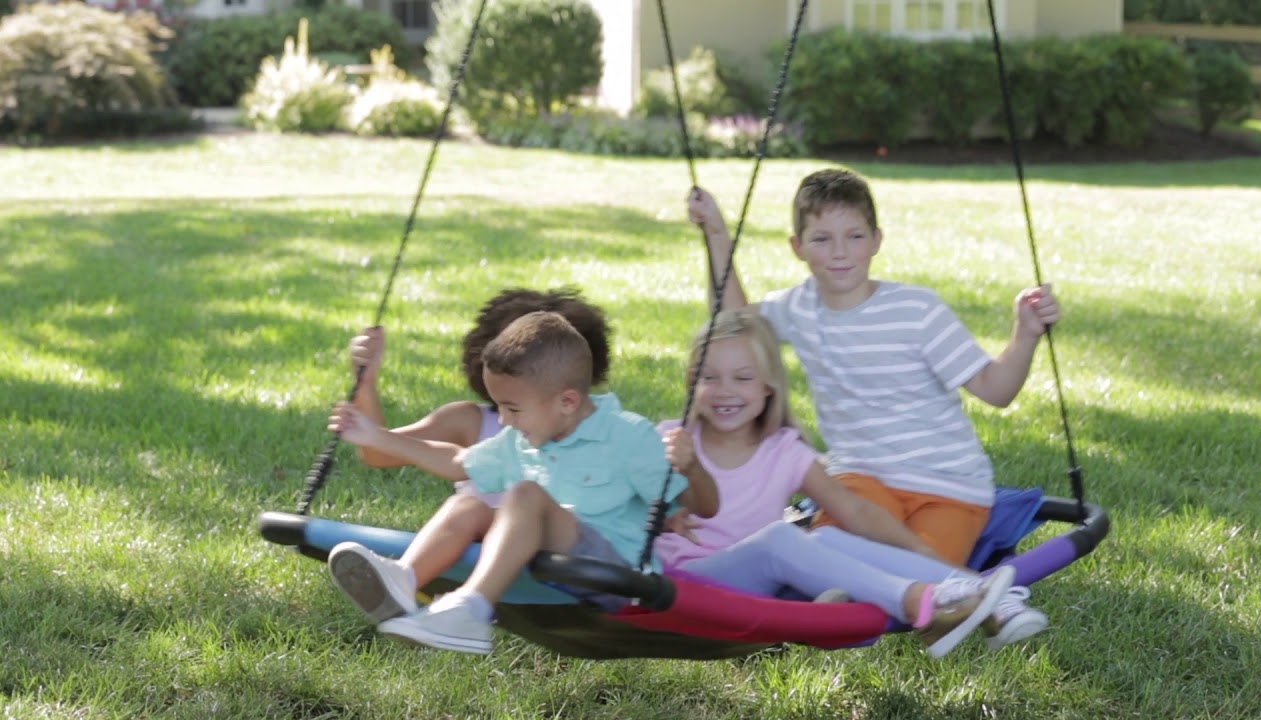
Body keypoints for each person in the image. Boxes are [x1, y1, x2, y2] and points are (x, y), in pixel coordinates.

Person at [687, 169, 1056, 637]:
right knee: (829, 543)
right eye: (821, 238)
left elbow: (995, 390)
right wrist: (717, 233)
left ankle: (944, 595)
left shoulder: (918, 310)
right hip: (860, 478)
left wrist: (1025, 333)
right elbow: (735, 326)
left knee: (907, 571)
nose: (839, 252)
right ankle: (973, 594)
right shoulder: (798, 308)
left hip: (949, 485)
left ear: (877, 240)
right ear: (797, 246)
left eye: (854, 235)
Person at [324, 311, 720, 654]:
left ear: (567, 402)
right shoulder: (520, 437)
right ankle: (403, 578)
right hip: (551, 560)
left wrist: (694, 468)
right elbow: (458, 460)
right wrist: (378, 437)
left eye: (512, 408)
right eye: (498, 407)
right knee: (469, 504)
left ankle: (472, 610)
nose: (505, 419)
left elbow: (704, 506)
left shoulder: (629, 435)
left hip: (612, 575)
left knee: (525, 494)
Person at [657, 309, 1024, 658]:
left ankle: (982, 591)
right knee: (779, 538)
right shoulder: (671, 441)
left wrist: (920, 551)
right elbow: (623, 511)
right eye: (710, 377)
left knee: (827, 538)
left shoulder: (784, 452)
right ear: (692, 380)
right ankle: (919, 603)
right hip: (685, 588)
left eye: (743, 377)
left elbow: (855, 510)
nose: (725, 390)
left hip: (754, 591)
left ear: (769, 385)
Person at [348, 287, 612, 498]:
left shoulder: (601, 426)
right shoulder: (471, 421)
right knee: (465, 509)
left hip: (560, 547)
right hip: (480, 539)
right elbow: (378, 452)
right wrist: (366, 383)